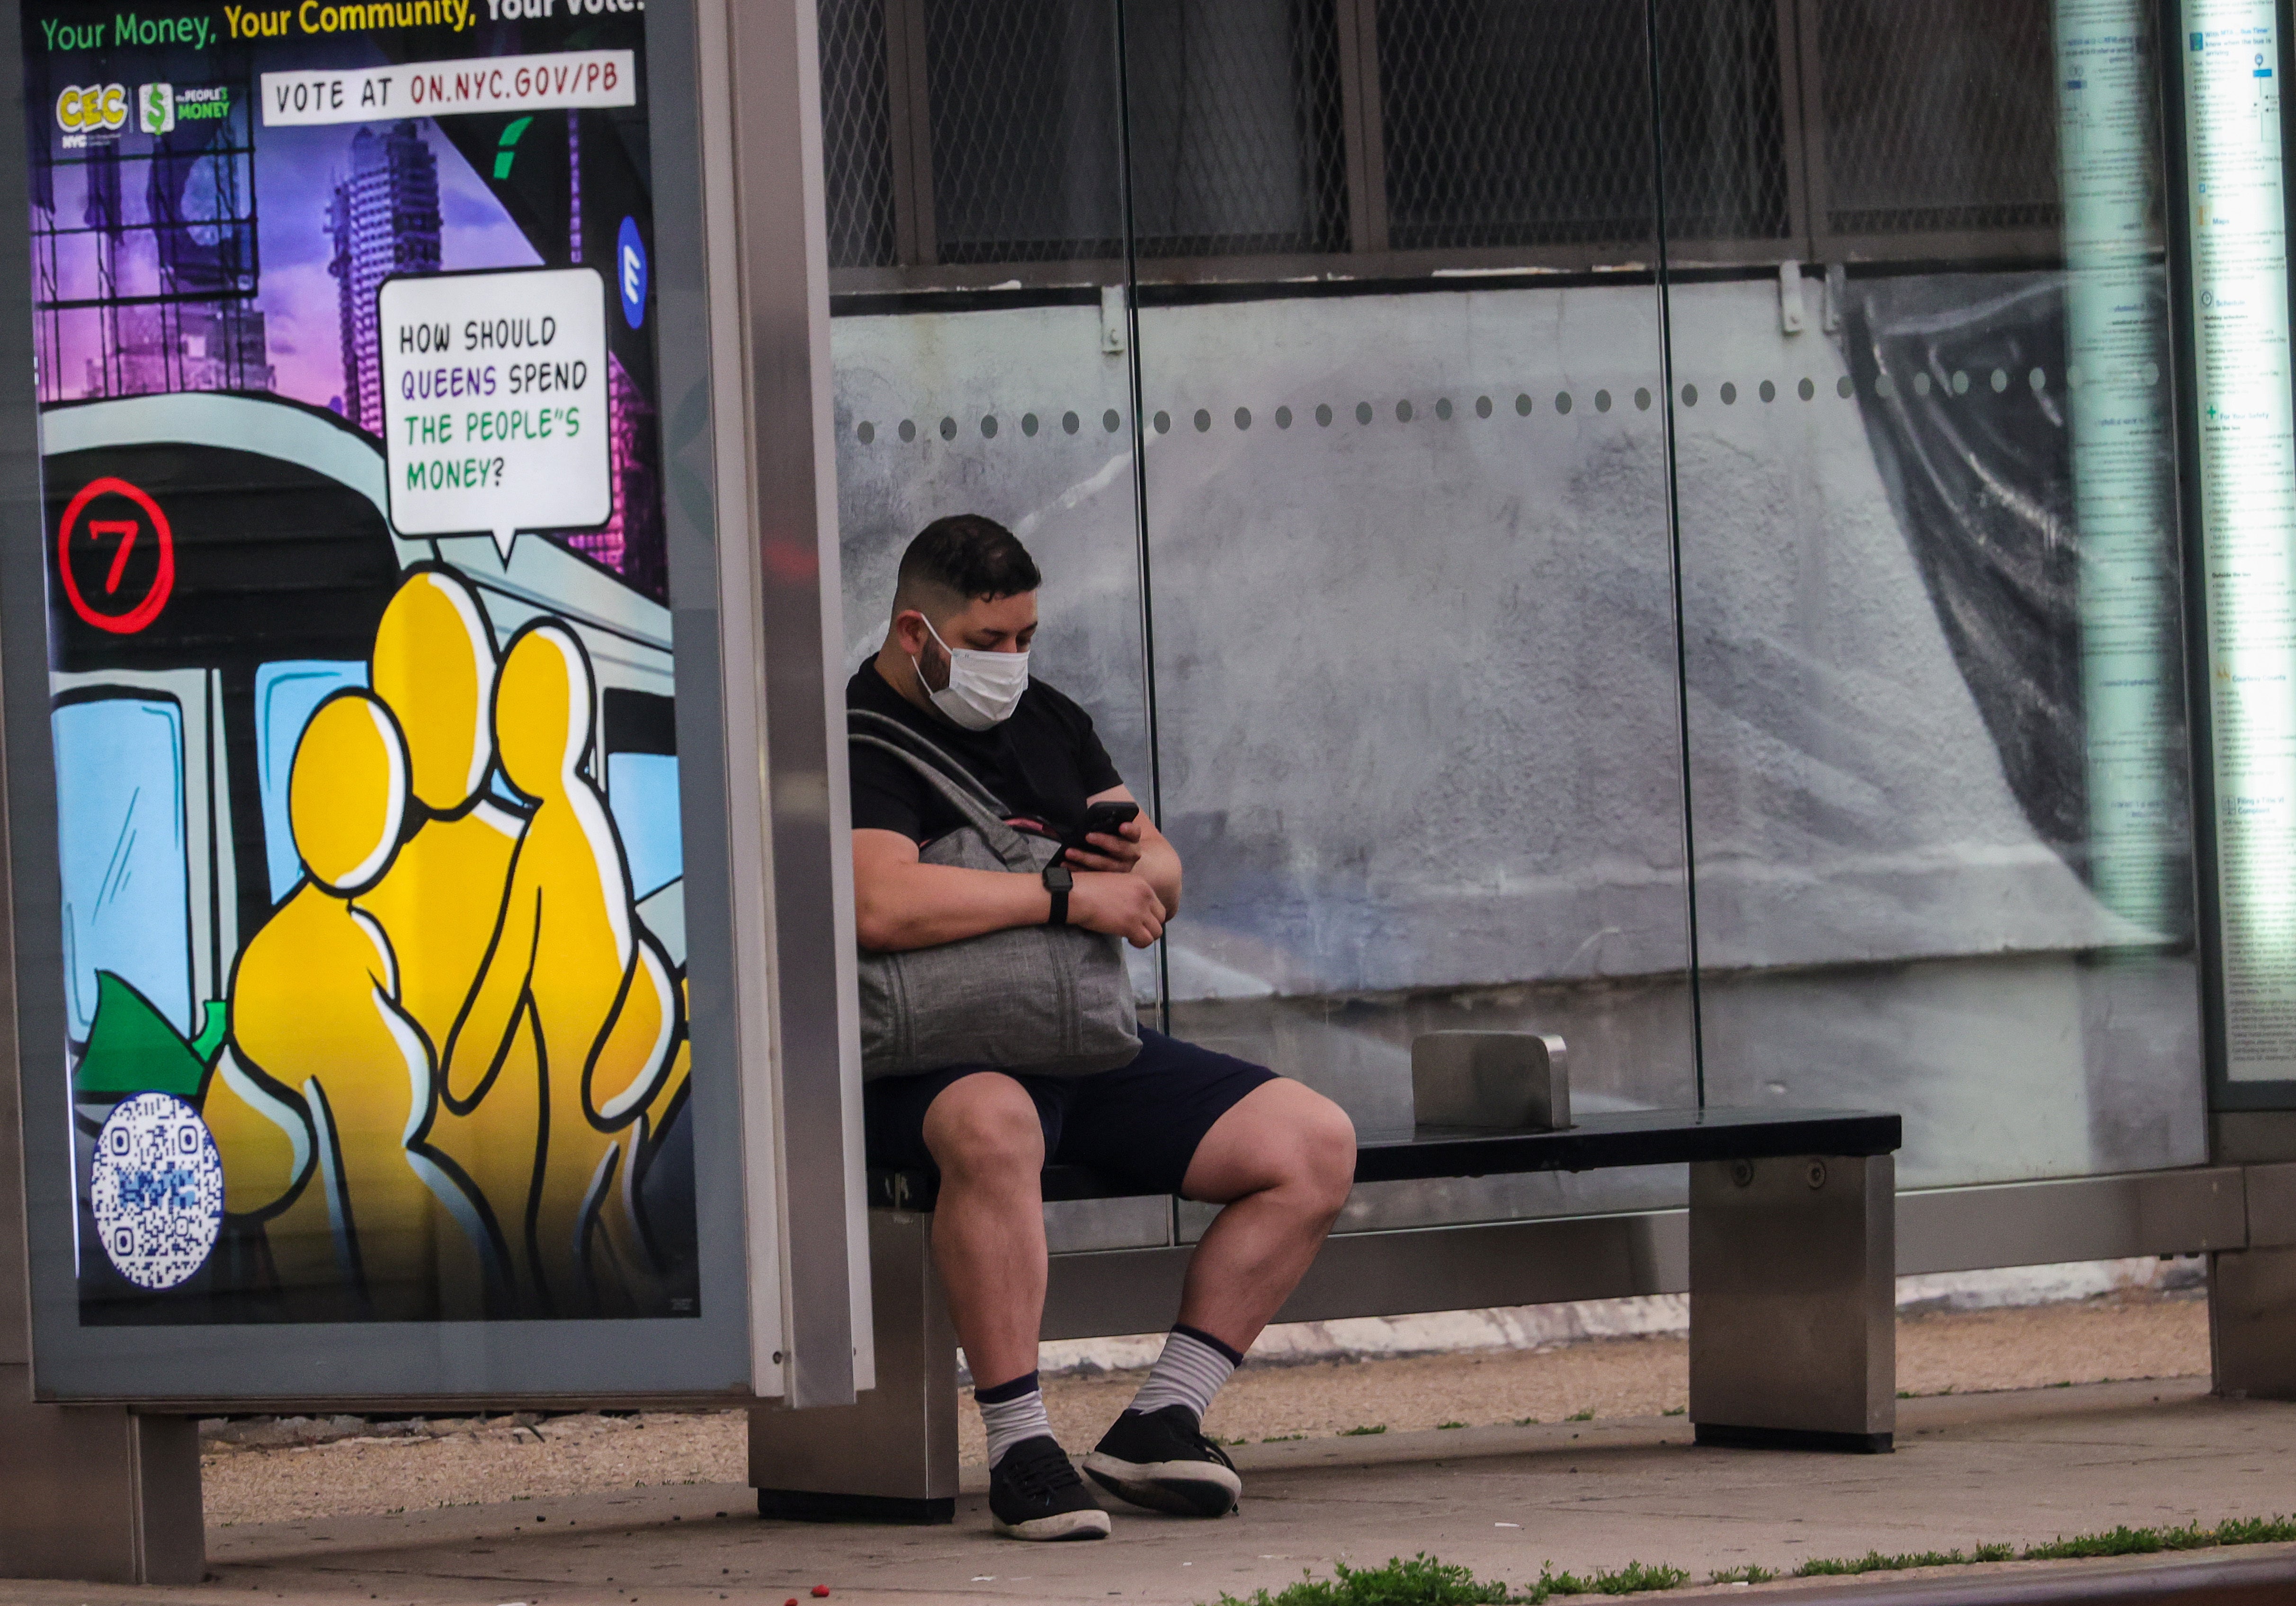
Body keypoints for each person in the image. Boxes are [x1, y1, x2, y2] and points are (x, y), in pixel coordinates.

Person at [849, 514, 1358, 1542]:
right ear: (916, 633)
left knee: (1312, 1142)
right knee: (996, 1128)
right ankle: (1021, 1445)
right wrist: (1060, 895)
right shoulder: (856, 736)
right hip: (934, 1058)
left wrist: (1119, 875)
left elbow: (1161, 869)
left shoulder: (1049, 719)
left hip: (1078, 1038)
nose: (1011, 662)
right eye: (988, 643)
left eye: (1025, 636)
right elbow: (880, 904)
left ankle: (1162, 1417)